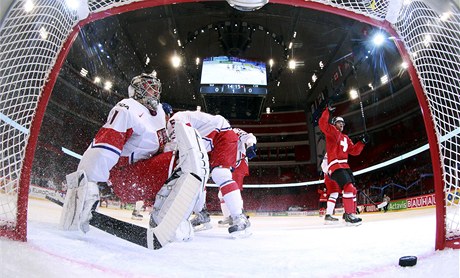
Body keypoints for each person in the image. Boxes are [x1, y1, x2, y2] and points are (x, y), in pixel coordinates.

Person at [60, 71, 174, 233]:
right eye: (148, 89)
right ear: (136, 91)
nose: (154, 93)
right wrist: (89, 181)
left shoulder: (160, 114)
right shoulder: (128, 108)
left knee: (182, 158)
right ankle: (82, 201)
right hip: (124, 177)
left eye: (155, 89)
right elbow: (106, 143)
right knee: (178, 160)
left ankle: (166, 215)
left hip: (141, 173)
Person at [166, 110, 251, 237]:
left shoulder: (174, 120)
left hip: (220, 135)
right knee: (197, 177)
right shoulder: (175, 121)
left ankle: (239, 216)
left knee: (220, 174)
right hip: (208, 143)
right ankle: (201, 214)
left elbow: (181, 141)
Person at [318, 103, 367, 225]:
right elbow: (322, 124)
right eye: (339, 122)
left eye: (343, 123)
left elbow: (354, 151)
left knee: (353, 190)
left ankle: (348, 213)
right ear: (334, 123)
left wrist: (362, 142)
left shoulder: (346, 137)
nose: (342, 124)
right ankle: (349, 215)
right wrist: (327, 111)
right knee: (348, 187)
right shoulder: (332, 132)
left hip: (345, 166)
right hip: (335, 165)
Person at [218, 128, 257, 226]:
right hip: (227, 165)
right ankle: (228, 217)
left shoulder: (234, 131)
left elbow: (249, 136)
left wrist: (250, 146)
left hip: (238, 164)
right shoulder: (217, 135)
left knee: (232, 190)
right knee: (222, 193)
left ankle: (239, 215)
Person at [321, 153, 341, 224]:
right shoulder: (332, 151)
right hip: (331, 175)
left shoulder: (334, 150)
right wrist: (329, 172)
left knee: (335, 194)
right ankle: (328, 215)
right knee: (335, 194)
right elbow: (323, 165)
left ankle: (329, 215)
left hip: (333, 175)